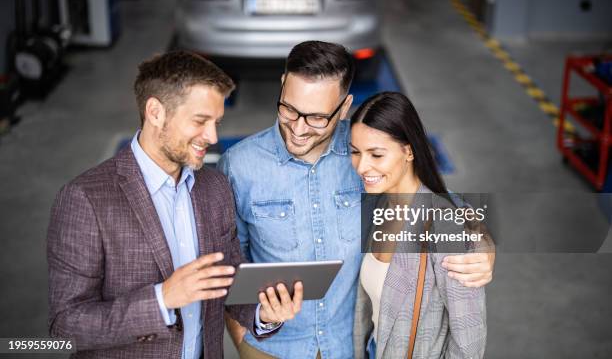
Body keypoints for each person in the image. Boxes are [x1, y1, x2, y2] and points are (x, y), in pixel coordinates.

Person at [218, 41, 494, 359]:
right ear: (282, 86)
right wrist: (244, 336)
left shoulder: (363, 153)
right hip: (271, 347)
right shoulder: (238, 165)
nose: (298, 128)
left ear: (345, 106)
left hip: (350, 348)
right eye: (289, 109)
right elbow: (228, 262)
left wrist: (481, 240)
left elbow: (431, 199)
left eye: (318, 117)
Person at [47, 51, 302, 358]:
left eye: (217, 122)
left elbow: (228, 281)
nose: (212, 136)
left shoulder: (215, 188)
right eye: (200, 121)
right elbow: (67, 325)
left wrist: (264, 315)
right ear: (155, 112)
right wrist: (161, 299)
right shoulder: (85, 198)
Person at [350, 91, 488, 358]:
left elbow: (469, 341)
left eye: (376, 155)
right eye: (355, 152)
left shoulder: (445, 226)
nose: (361, 166)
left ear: (408, 151)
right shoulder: (374, 204)